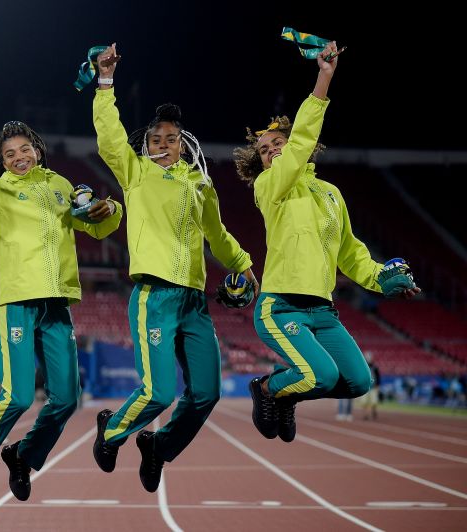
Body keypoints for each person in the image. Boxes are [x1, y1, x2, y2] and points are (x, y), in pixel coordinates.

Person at [232, 40, 420, 443]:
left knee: (357, 381)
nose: (271, 152)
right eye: (264, 151)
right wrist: (323, 78)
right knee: (320, 374)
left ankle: (284, 395)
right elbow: (299, 144)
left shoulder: (331, 193)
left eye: (277, 144)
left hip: (323, 310)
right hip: (281, 307)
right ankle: (267, 389)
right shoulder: (270, 186)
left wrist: (382, 279)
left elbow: (351, 253)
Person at [90, 44, 258, 493]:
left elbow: (218, 236)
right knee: (160, 392)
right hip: (155, 297)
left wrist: (244, 266)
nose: (164, 145)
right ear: (144, 146)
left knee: (207, 392)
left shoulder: (201, 185)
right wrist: (105, 81)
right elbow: (109, 136)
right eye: (156, 139)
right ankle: (110, 431)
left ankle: (159, 448)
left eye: (172, 139)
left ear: (184, 145)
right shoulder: (136, 173)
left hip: (194, 304)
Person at [0, 121, 123, 501]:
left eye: (24, 150)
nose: (18, 157)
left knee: (67, 397)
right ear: (3, 162)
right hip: (17, 300)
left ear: (37, 151)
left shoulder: (60, 186)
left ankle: (24, 455)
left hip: (56, 302)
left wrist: (109, 209)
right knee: (19, 395)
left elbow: (94, 226)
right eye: (9, 154)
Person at [356, 351, 381, 420]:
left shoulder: (375, 367)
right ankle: (365, 415)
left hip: (373, 387)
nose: (368, 359)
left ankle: (374, 411)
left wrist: (378, 386)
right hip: (365, 388)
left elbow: (378, 377)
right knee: (364, 402)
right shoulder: (363, 367)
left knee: (374, 402)